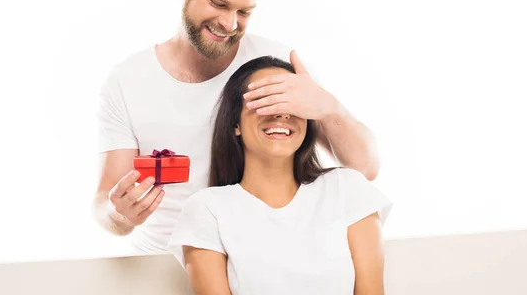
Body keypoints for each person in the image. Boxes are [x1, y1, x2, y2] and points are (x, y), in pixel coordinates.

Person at [93, 0, 382, 253]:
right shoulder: (127, 81)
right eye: (218, 3)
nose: (230, 24)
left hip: (253, 265)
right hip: (159, 261)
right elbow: (104, 204)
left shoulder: (275, 67)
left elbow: (366, 167)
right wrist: (120, 214)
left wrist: (328, 107)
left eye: (243, 12)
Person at [168, 56, 392, 294]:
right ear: (236, 123)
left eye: (292, 103)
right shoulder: (206, 210)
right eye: (265, 100)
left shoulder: (348, 190)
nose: (281, 113)